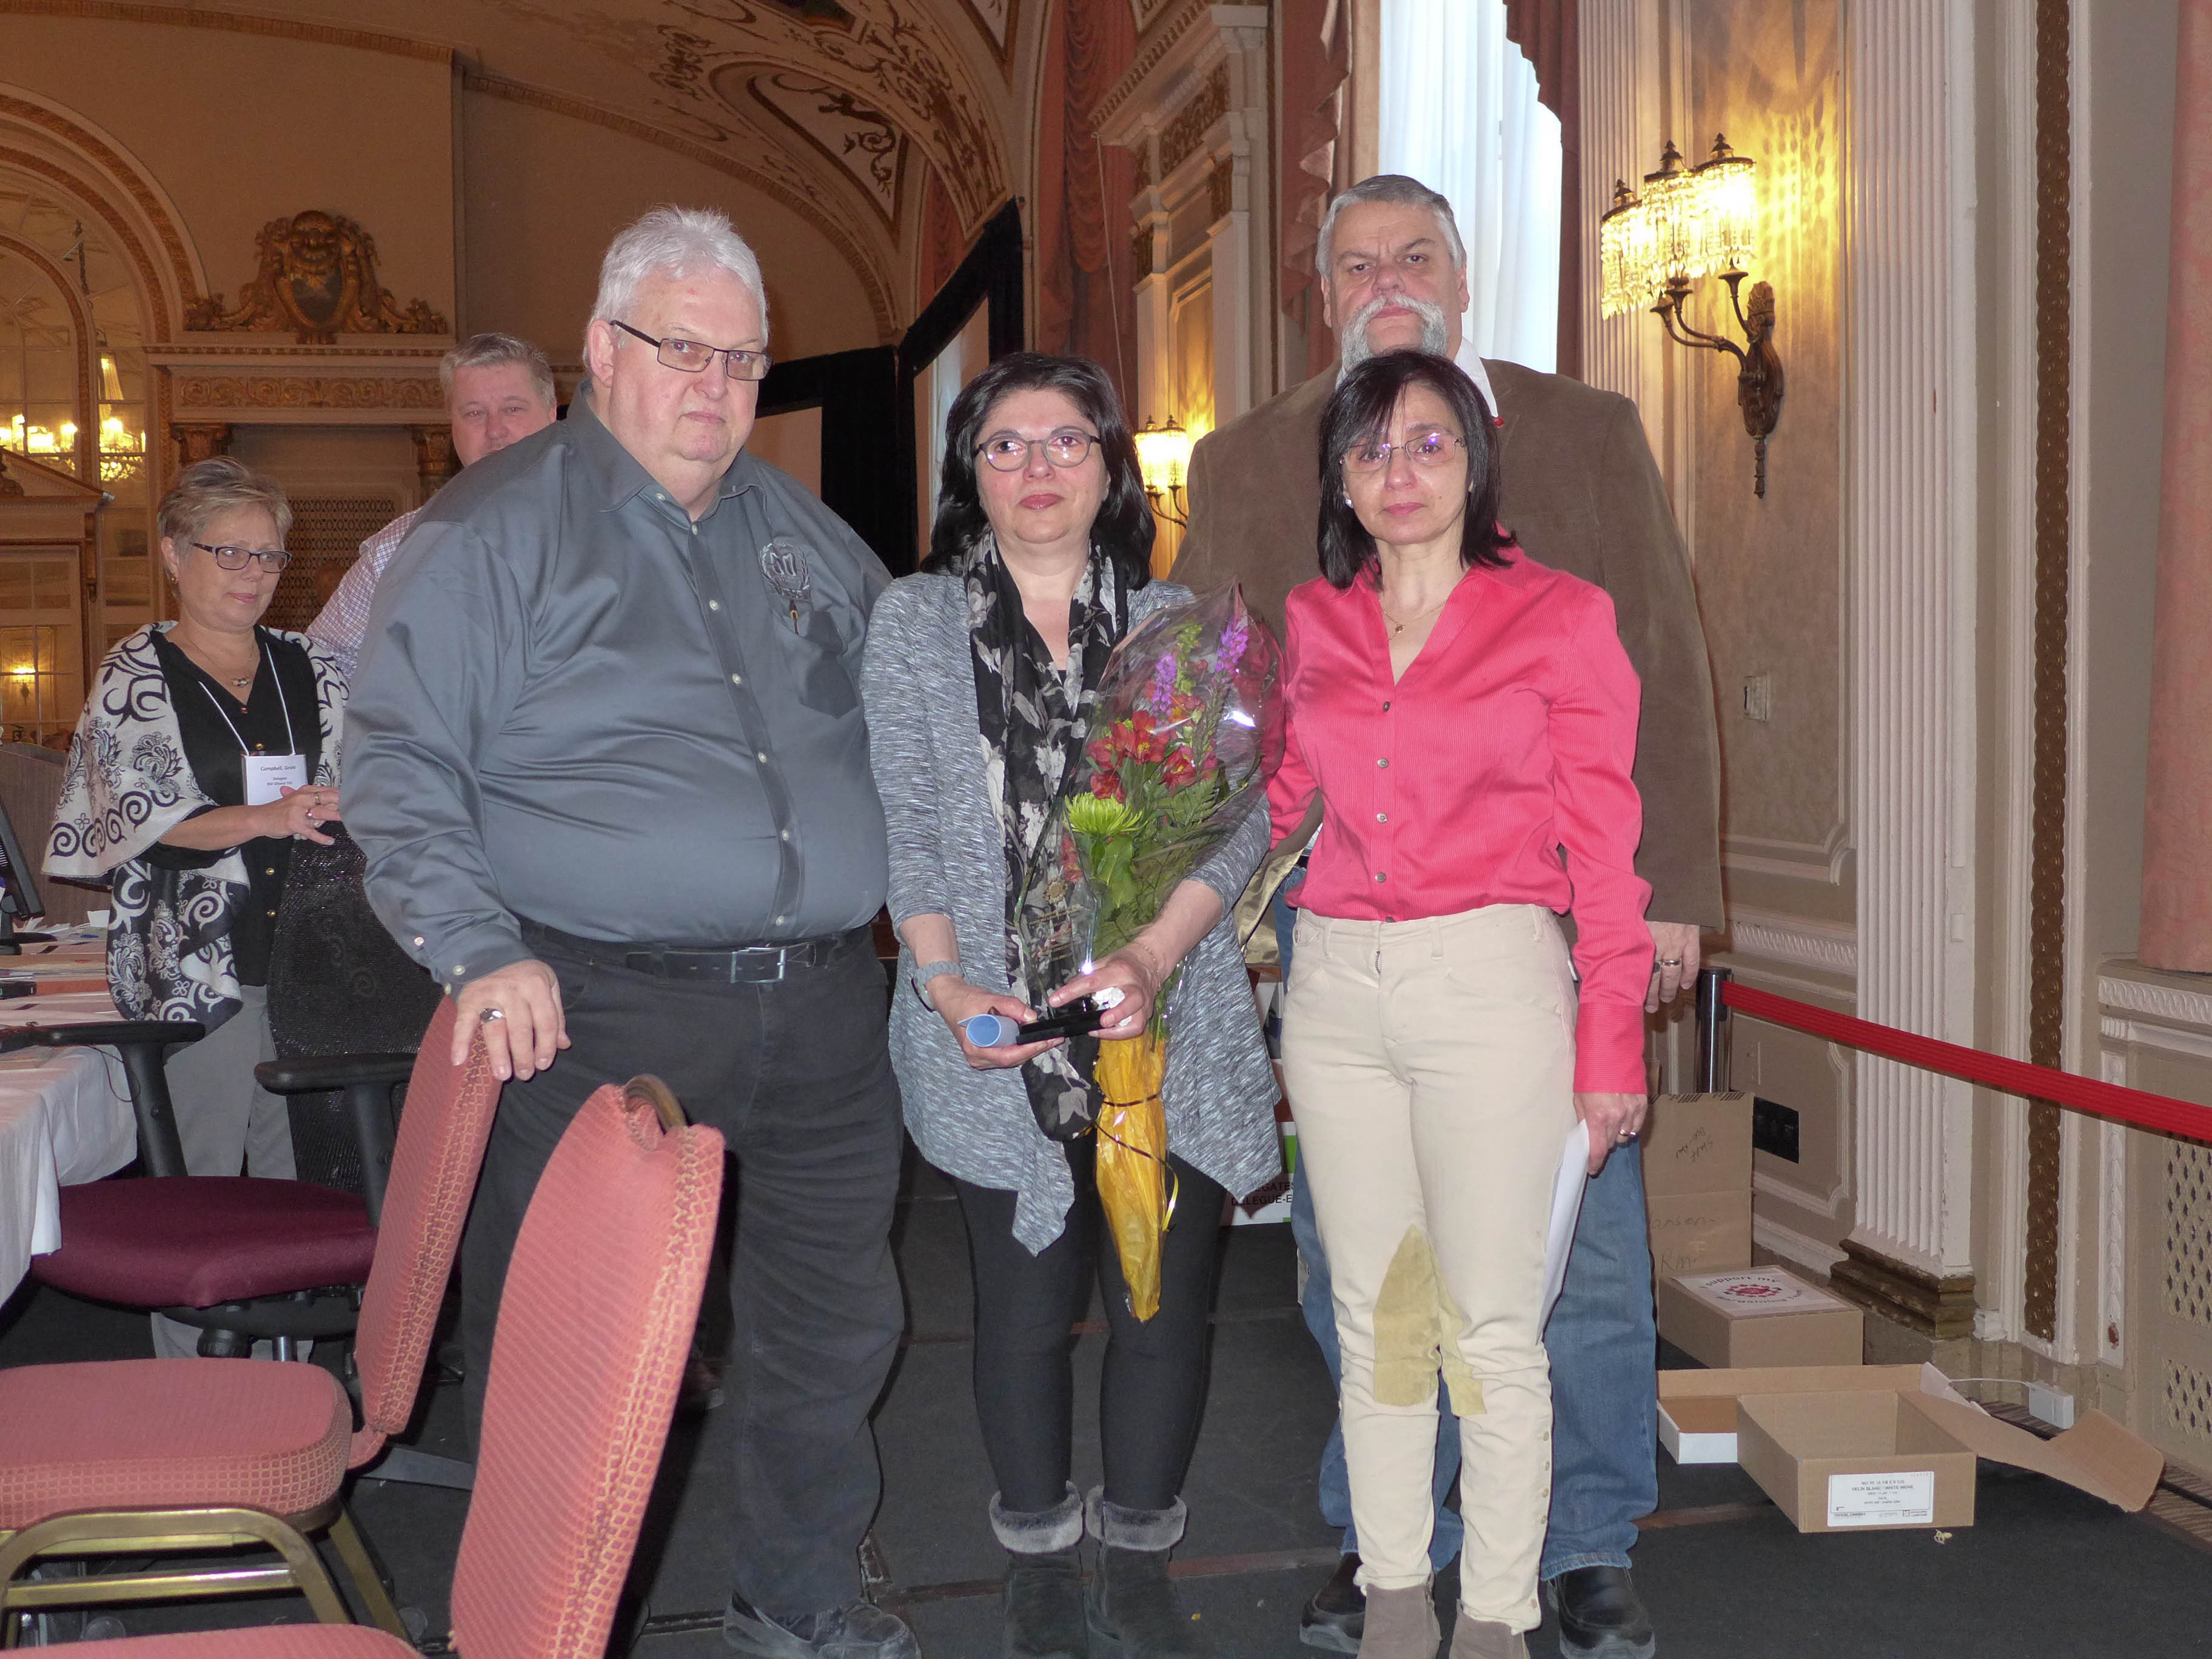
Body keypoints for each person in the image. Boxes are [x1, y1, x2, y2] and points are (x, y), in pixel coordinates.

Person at [343, 207, 917, 1659]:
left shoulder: (804, 533)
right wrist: (476, 945)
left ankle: (799, 1598)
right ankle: (531, 1631)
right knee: (574, 1358)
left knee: (831, 1330)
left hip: (827, 1013)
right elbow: (398, 759)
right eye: (681, 347)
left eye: (743, 355)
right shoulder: (496, 527)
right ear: (602, 350)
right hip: (596, 1008)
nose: (716, 384)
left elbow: (907, 736)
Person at [1173, 174, 1723, 1659]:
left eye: (1415, 254)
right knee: (1361, 1280)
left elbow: (1657, 671)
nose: (1385, 278)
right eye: (1355, 261)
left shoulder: (1583, 430)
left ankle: (1586, 1543)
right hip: (1336, 950)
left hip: (1524, 938)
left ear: (1462, 279)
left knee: (1572, 1265)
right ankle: (1381, 1545)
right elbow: (1212, 711)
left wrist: (1669, 903)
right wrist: (1170, 896)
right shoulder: (1245, 459)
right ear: (1322, 292)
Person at [859, 353, 1281, 1659]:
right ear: (967, 473)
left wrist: (1151, 955)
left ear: (1110, 469)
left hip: (1167, 1015)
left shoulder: (1181, 626)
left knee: (1163, 1311)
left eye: (1064, 442)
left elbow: (1235, 824)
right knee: (1026, 1313)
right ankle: (1037, 1556)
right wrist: (942, 985)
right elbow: (914, 827)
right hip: (989, 1028)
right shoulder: (915, 624)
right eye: (1004, 445)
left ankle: (1144, 1552)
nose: (1036, 469)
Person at [1274, 350, 1648, 1659]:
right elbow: (1272, 807)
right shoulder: (1311, 621)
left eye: (1428, 444)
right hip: (1333, 994)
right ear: (1340, 477)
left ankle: (1490, 1619)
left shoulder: (1560, 615)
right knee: (1380, 1317)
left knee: (1491, 1329)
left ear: (1476, 459)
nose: (1400, 472)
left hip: (1493, 985)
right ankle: (1392, 1600)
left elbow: (1605, 854)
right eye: (1371, 450)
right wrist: (1136, 867)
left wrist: (1613, 1044)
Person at [45, 458, 346, 1354]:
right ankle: (195, 1403)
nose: (254, 574)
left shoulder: (313, 666)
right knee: (201, 1200)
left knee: (298, 1200)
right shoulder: (137, 672)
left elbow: (370, 781)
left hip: (314, 971)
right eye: (232, 553)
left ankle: (289, 1393)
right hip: (198, 973)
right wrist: (269, 816)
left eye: (270, 557)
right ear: (175, 555)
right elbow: (137, 822)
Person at [306, 331, 558, 677]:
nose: (495, 429)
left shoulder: (612, 524)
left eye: (513, 409)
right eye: (473, 413)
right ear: (452, 427)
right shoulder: (398, 548)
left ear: (552, 415)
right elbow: (323, 665)